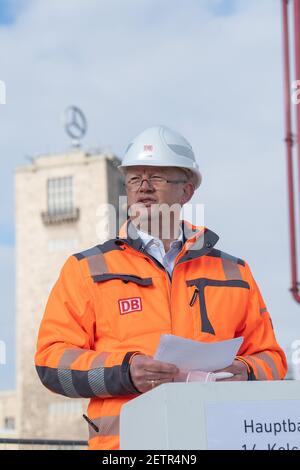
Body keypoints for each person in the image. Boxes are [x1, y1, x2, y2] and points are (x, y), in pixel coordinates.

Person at [35, 125, 287, 450]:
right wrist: (125, 371)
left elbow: (272, 360)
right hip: (125, 449)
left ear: (186, 192)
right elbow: (51, 364)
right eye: (135, 178)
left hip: (214, 442)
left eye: (157, 178)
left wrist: (245, 371)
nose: (143, 188)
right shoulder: (86, 270)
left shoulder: (234, 272)